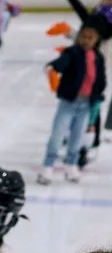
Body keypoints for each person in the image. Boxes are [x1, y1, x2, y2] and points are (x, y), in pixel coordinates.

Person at [37, 21, 107, 185]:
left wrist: (97, 96)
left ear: (96, 40)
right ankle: (48, 166)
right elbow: (61, 63)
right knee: (57, 136)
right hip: (69, 102)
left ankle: (71, 165)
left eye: (91, 38)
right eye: (84, 37)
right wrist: (51, 68)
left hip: (86, 104)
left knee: (77, 137)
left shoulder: (98, 57)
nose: (87, 41)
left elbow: (100, 80)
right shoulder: (73, 53)